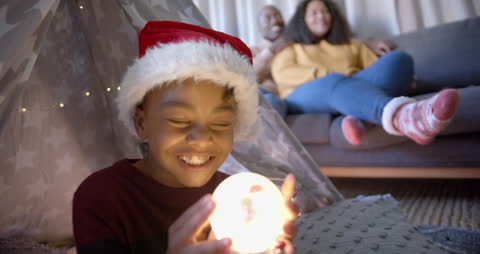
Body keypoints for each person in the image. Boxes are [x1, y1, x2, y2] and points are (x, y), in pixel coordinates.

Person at [73, 21, 298, 254]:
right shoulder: (100, 198)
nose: (201, 139)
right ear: (141, 123)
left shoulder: (235, 202)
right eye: (179, 120)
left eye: (220, 123)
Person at [271, 0, 460, 146]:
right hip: (303, 96)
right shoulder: (291, 46)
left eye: (325, 11)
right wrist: (330, 74)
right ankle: (406, 118)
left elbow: (375, 71)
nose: (321, 16)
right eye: (313, 12)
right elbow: (283, 74)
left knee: (399, 59)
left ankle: (361, 117)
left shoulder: (351, 44)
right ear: (302, 19)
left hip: (348, 87)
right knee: (334, 81)